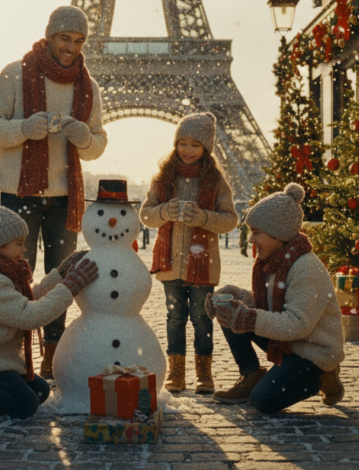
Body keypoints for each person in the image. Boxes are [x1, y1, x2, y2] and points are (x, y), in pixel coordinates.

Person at [0, 6, 108, 379]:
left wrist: (84, 137)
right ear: (50, 36)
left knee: (60, 277)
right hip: (19, 195)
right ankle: (11, 353)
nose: (71, 47)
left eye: (79, 41)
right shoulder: (15, 74)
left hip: (64, 199)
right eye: (65, 38)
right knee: (14, 276)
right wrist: (23, 128)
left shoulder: (89, 87)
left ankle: (52, 354)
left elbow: (97, 144)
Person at [0, 199, 98, 419]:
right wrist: (69, 287)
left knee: (40, 391)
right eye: (19, 243)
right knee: (25, 404)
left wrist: (60, 274)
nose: (24, 249)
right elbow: (29, 316)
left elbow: (27, 298)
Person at [206, 183, 345, 413]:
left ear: (279, 236)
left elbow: (296, 324)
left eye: (256, 233)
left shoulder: (306, 268)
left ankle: (320, 378)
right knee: (229, 311)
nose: (251, 240)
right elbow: (268, 305)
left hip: (312, 351)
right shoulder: (273, 260)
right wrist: (238, 297)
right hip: (288, 342)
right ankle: (251, 374)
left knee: (263, 401)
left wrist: (248, 318)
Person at [139, 112, 238, 394]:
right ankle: (177, 373)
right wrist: (165, 211)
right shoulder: (162, 179)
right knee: (175, 318)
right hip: (170, 263)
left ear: (206, 148)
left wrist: (203, 218)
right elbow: (145, 215)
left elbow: (230, 219)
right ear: (175, 144)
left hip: (203, 264)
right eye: (183, 143)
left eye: (196, 144)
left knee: (202, 318)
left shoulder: (216, 181)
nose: (188, 150)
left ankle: (204, 374)